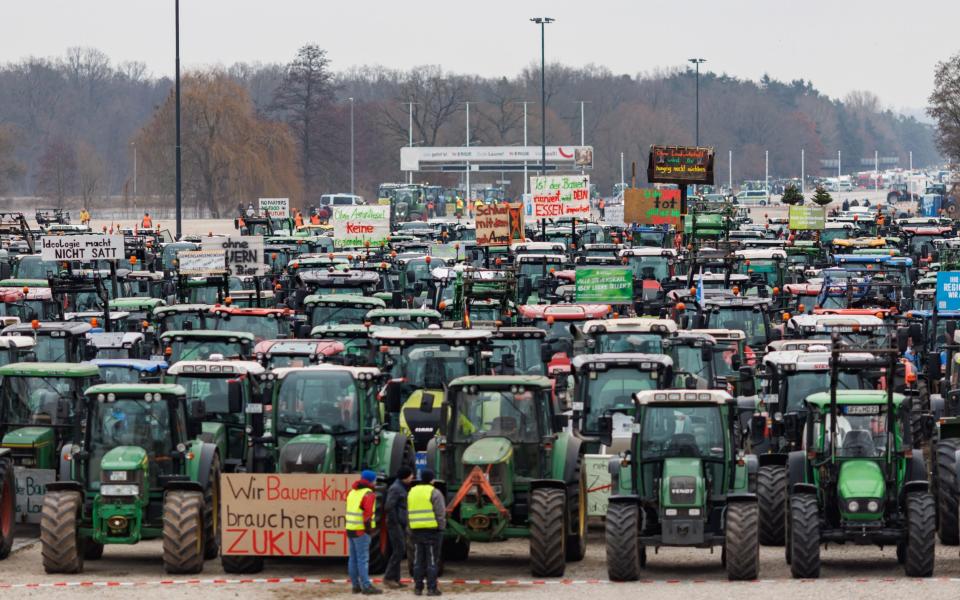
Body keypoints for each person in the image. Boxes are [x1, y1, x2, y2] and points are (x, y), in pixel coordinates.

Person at [408, 469, 445, 596]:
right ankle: (431, 589)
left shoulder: (412, 492)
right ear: (432, 480)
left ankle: (418, 588)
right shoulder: (434, 492)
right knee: (432, 561)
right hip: (431, 531)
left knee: (418, 561)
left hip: (416, 531)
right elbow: (440, 513)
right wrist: (441, 528)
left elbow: (408, 511)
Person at [346, 470, 382, 595]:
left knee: (353, 559)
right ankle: (366, 586)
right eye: (375, 479)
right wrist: (369, 531)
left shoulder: (352, 492)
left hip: (350, 528)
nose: (376, 481)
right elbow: (367, 516)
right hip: (361, 530)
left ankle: (355, 586)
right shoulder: (369, 494)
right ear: (371, 480)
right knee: (363, 559)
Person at [383, 466, 414, 589]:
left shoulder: (401, 487)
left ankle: (396, 579)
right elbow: (389, 506)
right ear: (405, 477)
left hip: (399, 524)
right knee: (398, 550)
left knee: (400, 551)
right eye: (411, 475)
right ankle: (389, 578)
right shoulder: (396, 489)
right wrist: (395, 522)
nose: (412, 477)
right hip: (395, 524)